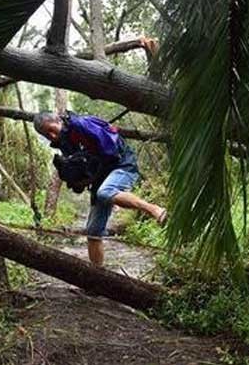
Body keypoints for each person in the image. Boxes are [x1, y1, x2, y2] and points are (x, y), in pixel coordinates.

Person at [33, 111, 167, 266]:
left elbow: (110, 150)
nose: (52, 136)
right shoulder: (64, 143)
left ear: (58, 120)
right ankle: (97, 276)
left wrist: (87, 159)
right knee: (93, 231)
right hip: (101, 178)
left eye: (52, 129)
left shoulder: (81, 125)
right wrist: (78, 178)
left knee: (106, 192)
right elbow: (85, 168)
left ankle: (154, 210)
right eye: (47, 135)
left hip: (122, 165)